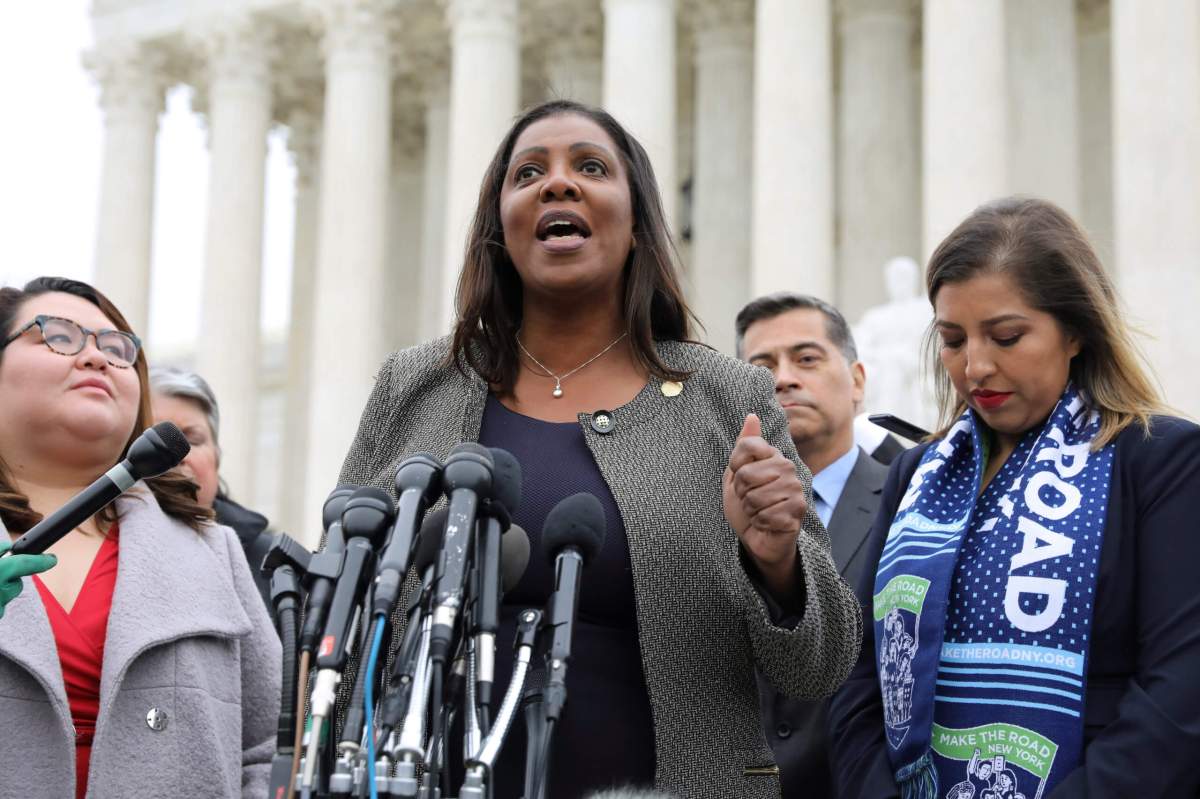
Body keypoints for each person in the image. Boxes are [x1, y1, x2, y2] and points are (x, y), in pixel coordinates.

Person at [335, 100, 862, 799]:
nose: (558, 184)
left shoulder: (727, 398)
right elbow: (341, 622)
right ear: (499, 227)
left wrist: (776, 560)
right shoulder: (415, 387)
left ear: (638, 223)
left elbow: (818, 668)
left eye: (590, 167)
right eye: (529, 173)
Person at [829, 197, 1200, 798]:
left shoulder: (1160, 460)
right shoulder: (914, 474)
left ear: (1076, 330)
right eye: (952, 341)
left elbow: (1179, 694)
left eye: (1006, 336)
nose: (975, 366)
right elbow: (863, 678)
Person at [0, 277, 280, 798]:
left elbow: (271, 747)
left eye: (117, 349)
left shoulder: (214, 551)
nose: (96, 358)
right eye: (59, 336)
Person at [736, 293, 890, 798]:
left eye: (806, 359)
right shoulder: (697, 517)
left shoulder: (914, 504)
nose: (782, 378)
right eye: (761, 366)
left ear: (857, 382)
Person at [149, 365, 275, 608]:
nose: (177, 454)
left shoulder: (273, 564)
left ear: (217, 457)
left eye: (192, 439)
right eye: (156, 438)